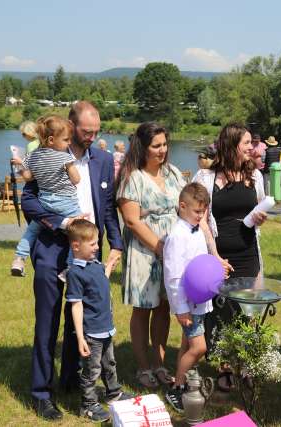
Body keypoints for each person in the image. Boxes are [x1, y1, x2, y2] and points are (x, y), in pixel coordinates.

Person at [21, 101, 123, 421]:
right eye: (85, 131)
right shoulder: (47, 156)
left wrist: (116, 243)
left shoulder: (105, 160)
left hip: (89, 253)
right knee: (48, 319)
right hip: (52, 247)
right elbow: (28, 201)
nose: (91, 136)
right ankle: (41, 393)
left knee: (83, 318)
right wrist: (60, 223)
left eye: (96, 131)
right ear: (70, 124)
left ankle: (69, 381)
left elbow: (106, 207)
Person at [193, 123, 267, 391]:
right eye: (247, 142)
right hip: (219, 255)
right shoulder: (205, 177)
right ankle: (225, 366)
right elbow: (200, 220)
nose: (252, 147)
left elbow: (259, 209)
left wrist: (261, 216)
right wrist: (215, 256)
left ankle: (247, 365)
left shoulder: (256, 177)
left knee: (249, 311)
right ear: (231, 144)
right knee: (222, 312)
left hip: (249, 254)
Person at [117, 122, 186, 389]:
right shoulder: (132, 177)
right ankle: (143, 366)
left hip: (172, 249)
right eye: (156, 146)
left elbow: (186, 205)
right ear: (142, 148)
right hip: (145, 250)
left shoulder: (173, 173)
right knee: (143, 308)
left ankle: (159, 362)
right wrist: (159, 247)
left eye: (164, 144)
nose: (162, 150)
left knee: (164, 306)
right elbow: (132, 221)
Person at [65, 219, 133, 422]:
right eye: (92, 244)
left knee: (109, 363)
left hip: (106, 328)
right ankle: (88, 404)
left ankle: (114, 393)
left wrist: (109, 266)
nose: (97, 247)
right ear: (76, 246)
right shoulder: (76, 273)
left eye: (97, 243)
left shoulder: (94, 265)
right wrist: (80, 337)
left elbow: (101, 280)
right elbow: (76, 306)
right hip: (92, 332)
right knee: (91, 370)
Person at [162, 183, 213, 413]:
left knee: (186, 345)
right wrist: (180, 308)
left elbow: (201, 264)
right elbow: (173, 276)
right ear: (182, 206)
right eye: (197, 212)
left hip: (200, 301)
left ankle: (179, 382)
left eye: (203, 212)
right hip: (187, 304)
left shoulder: (197, 230)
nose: (201, 216)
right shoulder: (177, 236)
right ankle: (178, 386)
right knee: (199, 347)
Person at [11, 115, 82, 278]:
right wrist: (70, 167)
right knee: (77, 232)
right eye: (66, 140)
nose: (69, 143)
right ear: (51, 140)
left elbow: (28, 177)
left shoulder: (32, 156)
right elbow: (76, 179)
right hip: (66, 202)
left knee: (32, 230)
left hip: (45, 201)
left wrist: (20, 166)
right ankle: (70, 268)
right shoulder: (65, 157)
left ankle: (19, 259)